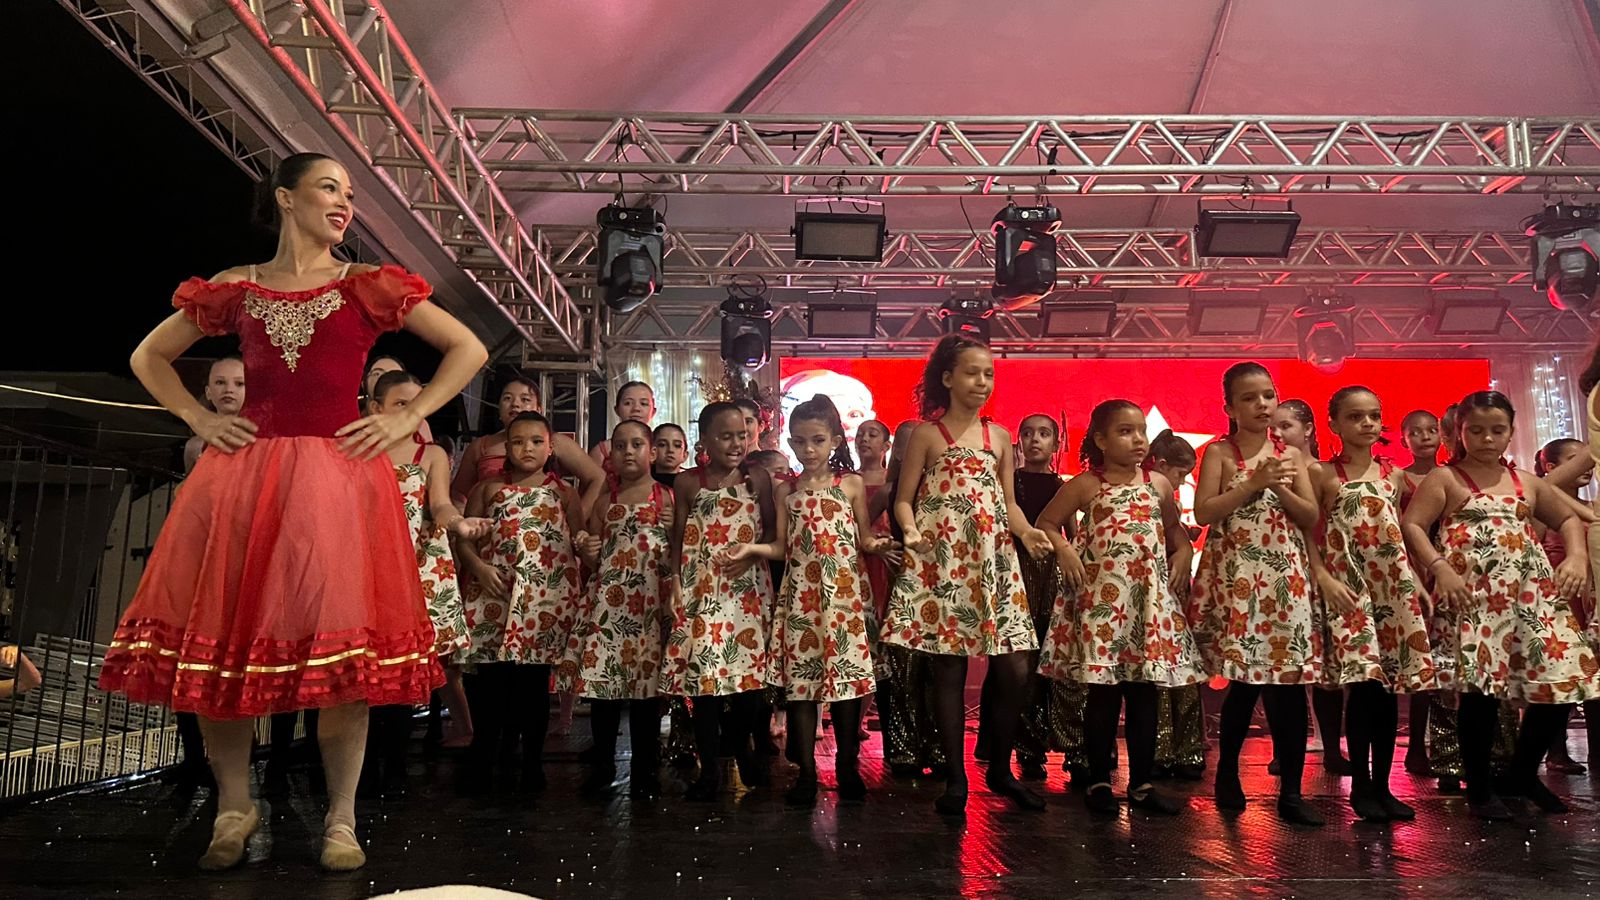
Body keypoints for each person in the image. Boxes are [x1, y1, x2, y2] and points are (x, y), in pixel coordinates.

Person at [96, 152, 487, 871]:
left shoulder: (365, 285)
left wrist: (409, 417)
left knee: (343, 659)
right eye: (328, 188)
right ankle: (234, 805)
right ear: (285, 197)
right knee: (223, 646)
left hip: (338, 484)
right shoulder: (237, 286)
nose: (344, 203)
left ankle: (341, 817)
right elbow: (149, 356)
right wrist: (198, 417)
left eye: (349, 194)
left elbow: (467, 347)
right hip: (245, 479)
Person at [1401, 390, 1596, 819]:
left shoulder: (1525, 481)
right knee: (1481, 692)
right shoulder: (1446, 479)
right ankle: (1479, 788)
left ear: (1510, 432)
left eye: (1497, 430)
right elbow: (1412, 524)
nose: (1487, 439)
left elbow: (1567, 517)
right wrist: (1439, 567)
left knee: (1562, 678)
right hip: (1474, 597)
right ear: (1459, 432)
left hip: (1530, 595)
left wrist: (1577, 556)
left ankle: (1522, 773)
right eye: (1476, 430)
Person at [881, 334, 1054, 815]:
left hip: (992, 560)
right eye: (973, 373)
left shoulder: (999, 438)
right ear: (947, 378)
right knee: (950, 667)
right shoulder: (926, 435)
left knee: (1016, 666)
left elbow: (1008, 504)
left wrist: (1028, 533)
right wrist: (910, 529)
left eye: (989, 374)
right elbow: (902, 498)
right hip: (943, 560)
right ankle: (956, 778)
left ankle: (999, 768)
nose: (982, 382)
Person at [721, 395, 891, 807]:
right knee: (802, 688)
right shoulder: (787, 491)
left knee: (846, 687)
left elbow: (864, 537)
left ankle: (847, 766)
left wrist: (880, 545)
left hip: (845, 597)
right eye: (799, 441)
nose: (808, 450)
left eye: (817, 440)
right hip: (801, 598)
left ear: (835, 440)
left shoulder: (849, 485)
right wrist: (752, 549)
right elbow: (781, 546)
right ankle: (806, 774)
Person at [1037, 400, 1199, 816]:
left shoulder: (1157, 484)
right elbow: (1047, 523)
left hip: (1144, 604)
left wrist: (1183, 553)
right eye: (1125, 432)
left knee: (1144, 693)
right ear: (1101, 440)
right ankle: (1098, 782)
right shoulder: (1086, 484)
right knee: (1103, 694)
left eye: (1141, 431)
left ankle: (1142, 783)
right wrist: (1065, 552)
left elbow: (1173, 530)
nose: (1137, 440)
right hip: (1102, 605)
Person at [1189, 363, 1326, 826]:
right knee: (1245, 683)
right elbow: (1204, 511)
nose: (1262, 404)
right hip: (1239, 581)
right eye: (1249, 398)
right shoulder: (1219, 452)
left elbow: (1309, 516)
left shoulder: (1291, 455)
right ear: (1230, 407)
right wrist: (1252, 483)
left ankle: (1292, 791)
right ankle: (1227, 773)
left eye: (1268, 395)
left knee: (1289, 687)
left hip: (1284, 581)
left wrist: (1280, 486)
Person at [1308, 386, 1436, 823]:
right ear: (1334, 424)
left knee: (1388, 690)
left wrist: (1415, 579)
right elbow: (1307, 532)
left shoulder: (1393, 476)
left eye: (1374, 416)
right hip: (1349, 587)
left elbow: (1397, 532)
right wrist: (1322, 577)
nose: (1367, 423)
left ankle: (1383, 785)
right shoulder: (1323, 474)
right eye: (1355, 416)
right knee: (1363, 686)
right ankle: (1361, 786)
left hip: (1391, 589)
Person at [368, 370, 491, 790]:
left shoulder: (431, 454)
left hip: (417, 570)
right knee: (370, 668)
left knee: (406, 670)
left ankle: (395, 769)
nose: (412, 411)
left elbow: (439, 503)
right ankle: (363, 770)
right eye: (400, 403)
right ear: (376, 408)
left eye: (418, 403)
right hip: (370, 568)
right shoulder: (359, 452)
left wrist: (458, 523)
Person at [457, 412, 586, 794]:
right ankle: (485, 756)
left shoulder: (564, 493)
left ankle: (531, 761)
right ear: (507, 447)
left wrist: (586, 545)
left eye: (535, 441)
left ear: (550, 447)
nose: (526, 448)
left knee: (531, 686)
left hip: (543, 602)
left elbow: (578, 538)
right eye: (517, 441)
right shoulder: (487, 489)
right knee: (489, 683)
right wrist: (479, 568)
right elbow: (464, 541)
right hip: (493, 595)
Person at [660, 401, 777, 799]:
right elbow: (678, 536)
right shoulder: (688, 482)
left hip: (747, 592)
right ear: (705, 440)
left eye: (742, 435)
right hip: (702, 592)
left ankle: (741, 747)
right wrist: (676, 582)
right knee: (704, 683)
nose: (736, 444)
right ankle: (709, 767)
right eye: (726, 436)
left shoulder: (757, 478)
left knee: (749, 683)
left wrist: (753, 556)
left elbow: (771, 532)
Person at [565, 420, 671, 799]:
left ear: (652, 452)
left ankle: (645, 769)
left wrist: (674, 529)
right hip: (609, 608)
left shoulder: (667, 498)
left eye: (637, 444)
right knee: (603, 694)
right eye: (620, 445)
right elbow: (595, 556)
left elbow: (679, 552)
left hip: (649, 607)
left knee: (645, 695)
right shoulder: (605, 502)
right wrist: (586, 551)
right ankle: (603, 766)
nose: (628, 452)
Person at [1272, 397, 1351, 777]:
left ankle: (1332, 748)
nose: (1277, 433)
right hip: (1284, 572)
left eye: (1286, 425)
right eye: (1273, 427)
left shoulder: (1322, 471)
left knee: (1327, 669)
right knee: (1285, 667)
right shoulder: (1270, 468)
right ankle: (1284, 749)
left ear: (1308, 429)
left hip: (1326, 569)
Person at [1145, 430, 1207, 781]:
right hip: (1151, 588)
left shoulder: (1167, 495)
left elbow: (1175, 535)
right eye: (1181, 474)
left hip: (1172, 587)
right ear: (1161, 464)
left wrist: (1184, 546)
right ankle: (1162, 747)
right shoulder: (1150, 488)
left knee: (1180, 667)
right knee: (1158, 670)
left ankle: (1184, 747)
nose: (1182, 482)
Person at [1532, 437, 1596, 774]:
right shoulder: (1543, 505)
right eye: (1575, 460)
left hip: (1590, 599)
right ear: (1551, 467)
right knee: (1560, 675)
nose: (1586, 466)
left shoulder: (1592, 506)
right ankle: (1556, 751)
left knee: (1594, 675)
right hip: (1559, 598)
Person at [450, 376, 606, 514]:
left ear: (539, 409)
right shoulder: (480, 446)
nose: (515, 404)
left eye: (525, 399)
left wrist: (576, 517)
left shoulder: (556, 441)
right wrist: (465, 521)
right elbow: (458, 492)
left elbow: (597, 478)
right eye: (507, 398)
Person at [1397, 408, 1443, 777]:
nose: (1425, 437)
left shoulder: (1453, 476)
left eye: (1431, 429)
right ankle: (1416, 747)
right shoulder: (1401, 478)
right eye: (1416, 432)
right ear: (1404, 439)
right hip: (1417, 570)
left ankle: (1450, 744)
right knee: (1423, 662)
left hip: (1453, 567)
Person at [183, 356, 246, 473]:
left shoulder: (264, 445)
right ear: (208, 392)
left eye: (239, 383)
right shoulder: (195, 447)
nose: (229, 389)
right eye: (220, 382)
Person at [589, 381, 656, 466]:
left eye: (643, 403)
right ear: (617, 410)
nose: (636, 408)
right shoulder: (601, 452)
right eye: (627, 403)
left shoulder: (662, 447)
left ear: (653, 411)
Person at [652, 423, 689, 488]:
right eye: (662, 445)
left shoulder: (692, 484)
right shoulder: (641, 483)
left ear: (685, 455)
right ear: (651, 452)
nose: (670, 450)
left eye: (677, 445)